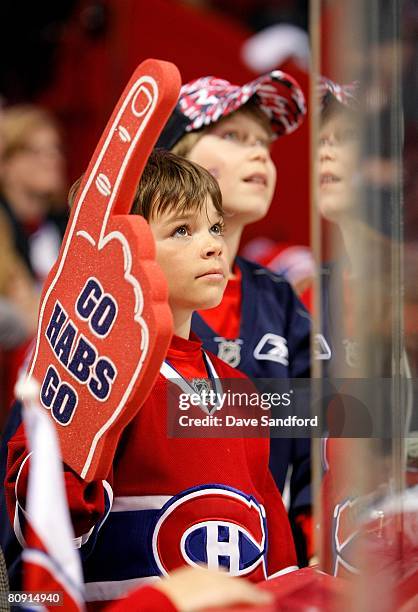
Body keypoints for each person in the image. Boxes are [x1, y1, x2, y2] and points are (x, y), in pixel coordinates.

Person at [4, 150, 297, 608]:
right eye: (182, 230)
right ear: (116, 252)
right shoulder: (86, 374)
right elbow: (37, 536)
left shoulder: (240, 389)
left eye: (214, 227)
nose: (214, 245)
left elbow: (274, 547)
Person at [156, 71, 312, 563]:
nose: (259, 153)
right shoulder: (120, 293)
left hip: (266, 571)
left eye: (264, 142)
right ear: (174, 157)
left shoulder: (278, 297)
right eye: (233, 136)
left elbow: (324, 436)